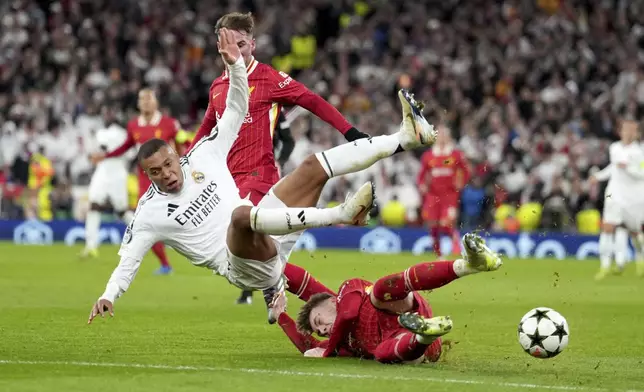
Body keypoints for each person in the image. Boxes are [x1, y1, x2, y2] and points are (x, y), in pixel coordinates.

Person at [87, 28, 437, 325]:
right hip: (240, 265)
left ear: (177, 156)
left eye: (168, 165)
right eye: (155, 173)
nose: (166, 175)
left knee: (313, 166)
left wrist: (236, 66)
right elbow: (129, 260)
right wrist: (108, 295)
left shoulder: (202, 156)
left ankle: (404, 138)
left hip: (268, 228)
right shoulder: (149, 211)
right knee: (241, 217)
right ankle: (341, 216)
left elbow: (237, 108)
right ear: (146, 174)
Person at [189, 12, 369, 305]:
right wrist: (187, 164)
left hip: (259, 176)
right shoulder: (218, 86)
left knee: (244, 241)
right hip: (228, 181)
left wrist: (349, 131)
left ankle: (280, 283)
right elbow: (206, 129)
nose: (235, 51)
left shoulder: (268, 78)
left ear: (253, 45)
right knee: (253, 252)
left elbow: (311, 100)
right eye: (228, 43)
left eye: (242, 44)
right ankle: (307, 295)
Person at [273, 233, 502, 363]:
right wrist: (280, 315)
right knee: (381, 353)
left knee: (379, 292)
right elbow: (308, 347)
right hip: (417, 348)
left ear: (332, 302)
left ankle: (467, 265)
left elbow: (349, 313)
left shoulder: (348, 290)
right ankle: (424, 334)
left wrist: (271, 264)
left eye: (319, 322)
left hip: (402, 308)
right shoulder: (341, 344)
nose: (321, 331)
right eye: (320, 331)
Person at [90, 89, 183, 275]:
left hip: (169, 178)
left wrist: (184, 165)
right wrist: (105, 156)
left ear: (156, 103)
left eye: (149, 99)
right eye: (143, 100)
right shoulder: (134, 126)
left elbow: (182, 146)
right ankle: (165, 264)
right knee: (145, 222)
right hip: (146, 180)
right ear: (139, 104)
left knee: (177, 217)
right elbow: (126, 146)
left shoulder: (170, 124)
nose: (146, 103)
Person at [589, 118, 644, 279]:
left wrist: (628, 168)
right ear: (621, 131)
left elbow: (642, 173)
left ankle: (640, 260)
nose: (628, 132)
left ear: (636, 133)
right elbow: (613, 167)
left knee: (636, 233)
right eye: (625, 129)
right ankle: (604, 266)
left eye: (631, 130)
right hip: (614, 194)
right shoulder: (614, 148)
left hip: (634, 197)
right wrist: (598, 177)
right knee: (607, 228)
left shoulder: (640, 152)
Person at [81, 107, 135, 258]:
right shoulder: (125, 134)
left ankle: (91, 246)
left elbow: (93, 152)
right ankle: (91, 246)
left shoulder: (102, 134)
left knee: (97, 207)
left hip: (106, 171)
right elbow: (131, 155)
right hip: (117, 172)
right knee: (120, 211)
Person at [417, 124, 471, 256]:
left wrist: (461, 183)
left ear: (448, 137)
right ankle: (438, 254)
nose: (441, 137)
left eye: (443, 135)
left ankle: (457, 250)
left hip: (449, 195)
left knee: (447, 223)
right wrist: (422, 185)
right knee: (433, 226)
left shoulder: (456, 155)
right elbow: (421, 176)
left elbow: (466, 171)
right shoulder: (428, 156)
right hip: (433, 195)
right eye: (438, 135)